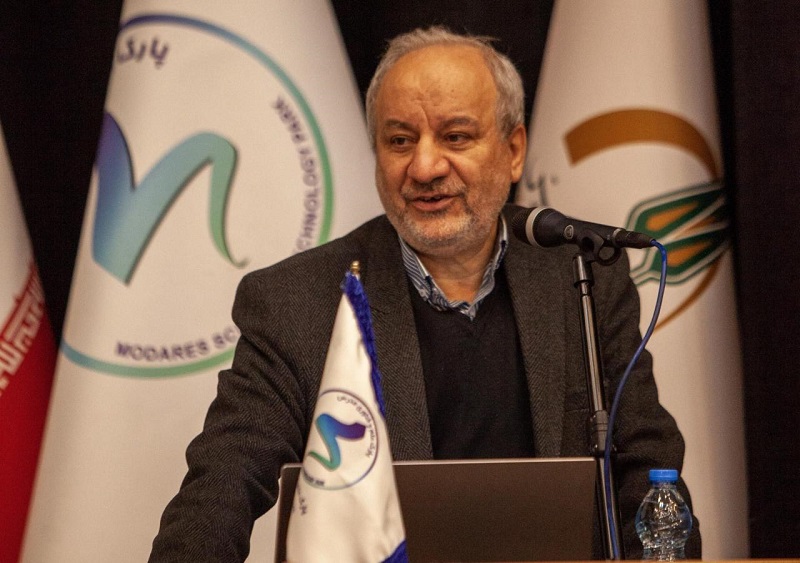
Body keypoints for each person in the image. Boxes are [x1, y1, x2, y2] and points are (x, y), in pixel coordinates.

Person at [149, 26, 701, 561]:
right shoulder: (298, 302)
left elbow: (647, 467)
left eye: (455, 136)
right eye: (400, 141)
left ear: (513, 150)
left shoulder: (581, 278)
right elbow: (222, 485)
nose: (425, 166)